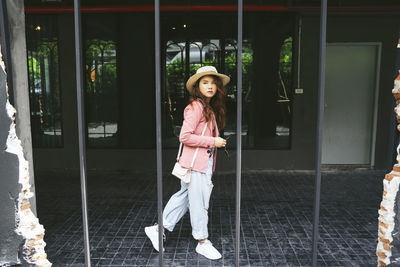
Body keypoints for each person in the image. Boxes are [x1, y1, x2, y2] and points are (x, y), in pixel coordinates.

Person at [145, 66, 229, 260]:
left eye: (212, 83)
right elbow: (184, 136)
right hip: (195, 164)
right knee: (199, 203)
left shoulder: (208, 107)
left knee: (185, 197)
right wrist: (213, 141)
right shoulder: (195, 107)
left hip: (200, 162)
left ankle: (158, 229)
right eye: (205, 82)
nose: (209, 86)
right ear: (197, 87)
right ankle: (202, 241)